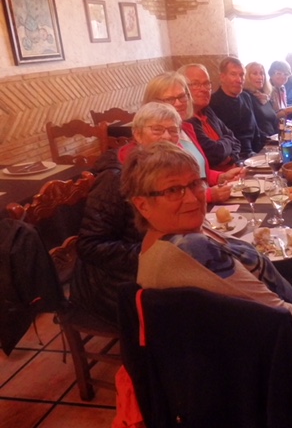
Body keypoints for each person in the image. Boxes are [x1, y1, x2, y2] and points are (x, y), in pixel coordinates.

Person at [121, 141, 292, 416]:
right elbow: (279, 316)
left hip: (237, 363)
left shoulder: (159, 241)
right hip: (280, 373)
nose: (192, 198)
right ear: (142, 204)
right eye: (173, 190)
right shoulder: (192, 250)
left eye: (195, 183)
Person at [72, 102, 232, 327]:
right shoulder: (115, 178)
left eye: (173, 130)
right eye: (157, 130)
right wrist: (155, 253)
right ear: (137, 135)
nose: (166, 136)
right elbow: (89, 246)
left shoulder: (168, 169)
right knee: (211, 306)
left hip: (163, 263)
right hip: (115, 286)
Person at [142, 72, 243, 189]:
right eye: (170, 99)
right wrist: (210, 195)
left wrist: (221, 177)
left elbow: (200, 173)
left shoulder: (186, 128)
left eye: (182, 96)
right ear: (153, 103)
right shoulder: (155, 137)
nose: (179, 103)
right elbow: (169, 189)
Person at [177, 63, 241, 171]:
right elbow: (214, 153)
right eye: (195, 84)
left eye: (206, 83)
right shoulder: (186, 119)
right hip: (215, 178)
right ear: (183, 89)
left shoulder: (207, 111)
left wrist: (231, 158)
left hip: (232, 171)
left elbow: (235, 140)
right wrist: (227, 144)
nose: (204, 89)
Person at [210, 57, 268, 159]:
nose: (239, 80)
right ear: (222, 77)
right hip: (235, 157)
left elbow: (256, 131)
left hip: (255, 154)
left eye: (241, 75)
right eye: (233, 74)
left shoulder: (246, 97)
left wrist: (274, 143)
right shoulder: (213, 103)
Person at [244, 62, 292, 136]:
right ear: (246, 76)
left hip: (275, 136)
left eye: (262, 74)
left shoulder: (264, 96)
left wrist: (285, 133)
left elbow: (274, 121)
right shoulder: (246, 97)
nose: (260, 77)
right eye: (255, 74)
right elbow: (252, 128)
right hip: (264, 140)